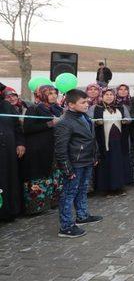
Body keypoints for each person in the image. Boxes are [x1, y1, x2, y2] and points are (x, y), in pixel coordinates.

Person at [54, 89, 102, 238]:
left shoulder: (84, 117)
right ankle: (66, 226)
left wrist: (94, 156)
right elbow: (60, 149)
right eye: (83, 102)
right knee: (69, 194)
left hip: (86, 160)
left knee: (82, 190)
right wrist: (67, 168)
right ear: (71, 104)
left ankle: (82, 216)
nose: (87, 104)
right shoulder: (64, 122)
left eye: (87, 101)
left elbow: (90, 139)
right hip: (74, 163)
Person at [20, 86, 64, 215]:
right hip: (38, 149)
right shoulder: (34, 109)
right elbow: (28, 128)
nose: (53, 96)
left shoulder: (57, 109)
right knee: (38, 177)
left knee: (54, 175)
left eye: (55, 93)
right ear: (41, 95)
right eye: (49, 93)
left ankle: (53, 202)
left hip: (54, 148)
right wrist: (50, 124)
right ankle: (37, 207)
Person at [92, 88, 132, 195]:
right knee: (106, 163)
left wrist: (126, 121)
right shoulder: (97, 108)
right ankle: (106, 188)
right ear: (102, 96)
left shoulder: (120, 107)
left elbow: (129, 119)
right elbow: (89, 121)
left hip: (118, 140)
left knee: (118, 162)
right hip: (104, 141)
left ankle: (118, 187)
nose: (109, 96)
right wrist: (96, 123)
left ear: (114, 96)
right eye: (106, 94)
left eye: (111, 94)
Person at [0, 83, 25, 222]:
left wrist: (20, 143)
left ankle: (8, 212)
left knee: (7, 181)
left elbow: (17, 127)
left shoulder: (7, 106)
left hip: (8, 152)